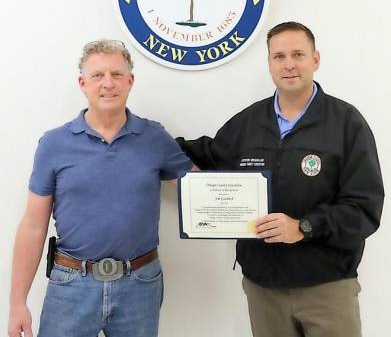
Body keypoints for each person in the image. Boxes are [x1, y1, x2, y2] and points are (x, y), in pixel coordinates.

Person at [177, 22, 384, 337]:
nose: (289, 64)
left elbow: (364, 209)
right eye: (279, 56)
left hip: (327, 288)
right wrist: (145, 142)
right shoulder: (248, 123)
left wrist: (303, 227)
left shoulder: (346, 123)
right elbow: (206, 154)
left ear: (315, 60)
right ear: (270, 64)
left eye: (298, 54)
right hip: (264, 289)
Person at [8, 40, 192, 337]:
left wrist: (242, 193)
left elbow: (199, 189)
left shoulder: (154, 137)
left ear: (130, 81)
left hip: (140, 284)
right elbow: (32, 225)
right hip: (71, 285)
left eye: (117, 74)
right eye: (98, 75)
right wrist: (17, 303)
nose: (108, 83)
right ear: (82, 83)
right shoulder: (54, 144)